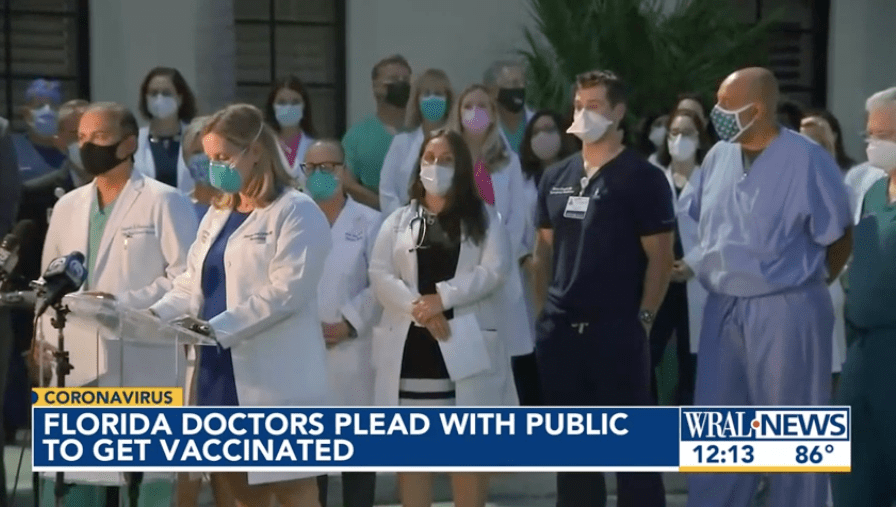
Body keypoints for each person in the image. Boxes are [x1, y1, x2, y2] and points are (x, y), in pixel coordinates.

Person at [682, 68, 852, 507]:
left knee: (791, 439)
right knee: (717, 438)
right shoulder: (718, 156)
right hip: (723, 308)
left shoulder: (807, 159)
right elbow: (703, 220)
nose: (717, 114)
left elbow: (839, 237)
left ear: (757, 109)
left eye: (726, 105)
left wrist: (804, 285)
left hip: (786, 308)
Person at [149, 104, 330, 507]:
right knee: (235, 492)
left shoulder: (296, 212)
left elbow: (287, 291)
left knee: (293, 490)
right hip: (216, 373)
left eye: (222, 158)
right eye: (209, 159)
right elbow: (191, 284)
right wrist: (154, 316)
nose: (214, 168)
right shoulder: (217, 214)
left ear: (255, 152)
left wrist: (217, 328)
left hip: (277, 377)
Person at [34, 101, 198, 506]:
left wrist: (122, 303)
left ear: (128, 143)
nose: (88, 146)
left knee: (148, 483)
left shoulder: (165, 200)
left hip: (140, 353)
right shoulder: (69, 205)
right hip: (72, 356)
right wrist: (40, 339)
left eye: (100, 137)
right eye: (83, 138)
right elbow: (48, 282)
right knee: (75, 482)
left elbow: (187, 279)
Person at [532, 69, 671, 506]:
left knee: (635, 459)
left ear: (618, 112)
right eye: (578, 106)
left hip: (617, 332)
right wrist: (543, 314)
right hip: (561, 335)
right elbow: (542, 253)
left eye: (594, 106)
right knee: (574, 461)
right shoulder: (556, 176)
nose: (583, 114)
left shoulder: (643, 178)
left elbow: (661, 259)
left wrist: (644, 319)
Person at [369, 129, 517, 507]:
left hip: (463, 351)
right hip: (411, 356)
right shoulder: (400, 220)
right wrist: (420, 307)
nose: (435, 166)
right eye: (429, 158)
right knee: (413, 464)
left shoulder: (484, 218)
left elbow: (494, 270)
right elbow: (380, 273)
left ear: (462, 168)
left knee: (466, 461)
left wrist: (444, 297)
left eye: (446, 159)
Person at [299, 139, 380, 507]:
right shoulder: (291, 219)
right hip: (303, 347)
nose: (319, 175)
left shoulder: (370, 222)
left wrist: (349, 323)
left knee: (357, 457)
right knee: (309, 461)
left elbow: (382, 282)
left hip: (354, 353)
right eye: (311, 168)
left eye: (328, 167)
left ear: (344, 172)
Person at [832, 86, 896, 507]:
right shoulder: (874, 191)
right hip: (863, 346)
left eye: (885, 135)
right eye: (870, 134)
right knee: (855, 472)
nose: (874, 144)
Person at [449, 84, 533, 393]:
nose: (475, 113)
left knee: (505, 364)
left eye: (482, 106)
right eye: (468, 106)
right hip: (459, 265)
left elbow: (517, 218)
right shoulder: (447, 158)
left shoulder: (508, 161)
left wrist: (497, 255)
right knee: (466, 363)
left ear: (493, 114)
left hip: (501, 267)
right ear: (458, 114)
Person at [650, 108, 710, 406]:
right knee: (648, 355)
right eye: (674, 132)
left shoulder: (712, 180)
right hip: (658, 280)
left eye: (687, 133)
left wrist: (693, 263)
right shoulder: (652, 178)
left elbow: (723, 230)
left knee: (693, 363)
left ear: (700, 139)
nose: (679, 139)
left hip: (695, 280)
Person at [516, 109, 576, 406]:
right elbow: (509, 223)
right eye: (536, 131)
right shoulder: (519, 178)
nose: (544, 136)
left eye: (550, 129)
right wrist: (526, 258)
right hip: (529, 277)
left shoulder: (579, 174)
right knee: (531, 361)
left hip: (568, 276)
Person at [379, 68, 454, 217]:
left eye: (438, 94)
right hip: (404, 227)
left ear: (449, 100)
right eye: (426, 94)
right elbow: (387, 190)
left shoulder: (457, 143)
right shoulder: (402, 142)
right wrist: (402, 222)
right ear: (416, 101)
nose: (432, 99)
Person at [342, 54, 412, 210]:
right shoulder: (357, 136)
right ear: (375, 86)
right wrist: (387, 206)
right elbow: (347, 183)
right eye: (393, 78)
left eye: (405, 80)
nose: (400, 83)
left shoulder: (421, 133)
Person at [135, 66, 198, 193]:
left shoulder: (196, 139)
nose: (159, 99)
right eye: (153, 93)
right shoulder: (135, 140)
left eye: (166, 93)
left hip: (189, 211)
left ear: (180, 98)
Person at [265, 75, 317, 186]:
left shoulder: (315, 148)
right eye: (282, 103)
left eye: (295, 102)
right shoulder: (264, 147)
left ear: (304, 106)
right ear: (272, 106)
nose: (288, 107)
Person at [483, 60, 534, 154]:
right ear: (492, 90)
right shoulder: (482, 129)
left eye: (524, 82)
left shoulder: (537, 122)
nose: (521, 87)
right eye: (514, 83)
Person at [179, 115, 222, 219]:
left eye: (210, 152)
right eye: (198, 152)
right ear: (185, 158)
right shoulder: (177, 208)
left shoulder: (240, 207)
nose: (206, 158)